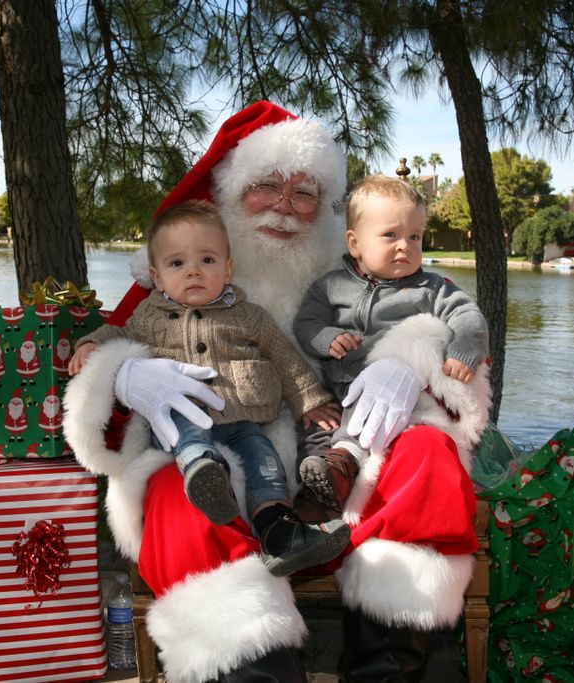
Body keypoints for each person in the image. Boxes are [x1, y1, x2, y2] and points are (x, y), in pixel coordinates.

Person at [63, 101, 490, 682]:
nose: (286, 209)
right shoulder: (172, 280)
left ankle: (388, 671)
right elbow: (103, 398)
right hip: (218, 467)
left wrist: (412, 358)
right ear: (229, 193)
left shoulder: (352, 279)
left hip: (342, 462)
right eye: (266, 186)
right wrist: (124, 375)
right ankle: (256, 669)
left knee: (428, 455)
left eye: (304, 193)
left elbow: (458, 351)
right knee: (170, 488)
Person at [69, 200, 348, 577]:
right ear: (157, 275)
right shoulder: (150, 316)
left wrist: (310, 400)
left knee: (264, 463)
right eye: (177, 264)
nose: (194, 272)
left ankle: (279, 530)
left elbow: (286, 361)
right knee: (183, 423)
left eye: (207, 260)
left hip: (243, 422)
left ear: (228, 269)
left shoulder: (250, 317)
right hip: (182, 419)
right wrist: (91, 344)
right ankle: (202, 469)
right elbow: (119, 332)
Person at [292, 175, 489, 512]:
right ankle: (318, 499)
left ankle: (345, 461)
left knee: (364, 437)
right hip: (338, 394)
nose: (405, 246)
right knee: (313, 434)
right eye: (390, 235)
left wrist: (463, 349)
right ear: (355, 244)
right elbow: (305, 322)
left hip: (398, 399)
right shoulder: (331, 286)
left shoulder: (431, 288)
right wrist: (327, 338)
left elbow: (468, 317)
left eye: (415, 236)